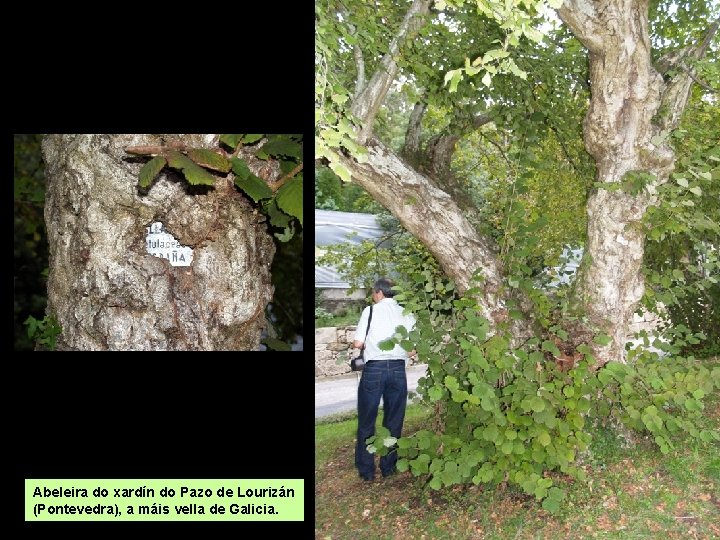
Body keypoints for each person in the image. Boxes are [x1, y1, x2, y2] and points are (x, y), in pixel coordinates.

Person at [353, 278, 416, 481]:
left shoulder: (370, 311)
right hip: (397, 369)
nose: (373, 295)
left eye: (373, 292)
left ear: (379, 292)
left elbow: (358, 342)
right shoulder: (407, 313)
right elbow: (412, 349)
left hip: (374, 370)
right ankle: (388, 467)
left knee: (367, 420)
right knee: (394, 420)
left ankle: (367, 471)